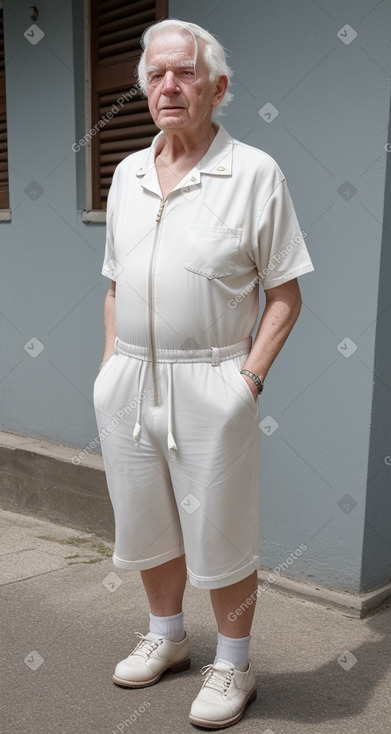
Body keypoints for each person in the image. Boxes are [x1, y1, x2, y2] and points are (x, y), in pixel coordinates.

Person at [93, 18, 314, 730]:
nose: (167, 85)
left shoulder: (252, 173)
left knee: (221, 531)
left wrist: (245, 383)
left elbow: (285, 293)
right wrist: (107, 371)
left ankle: (234, 662)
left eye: (184, 72)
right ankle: (166, 637)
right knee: (145, 520)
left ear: (216, 88)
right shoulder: (127, 173)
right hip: (128, 383)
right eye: (155, 74)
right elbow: (115, 283)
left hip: (211, 381)